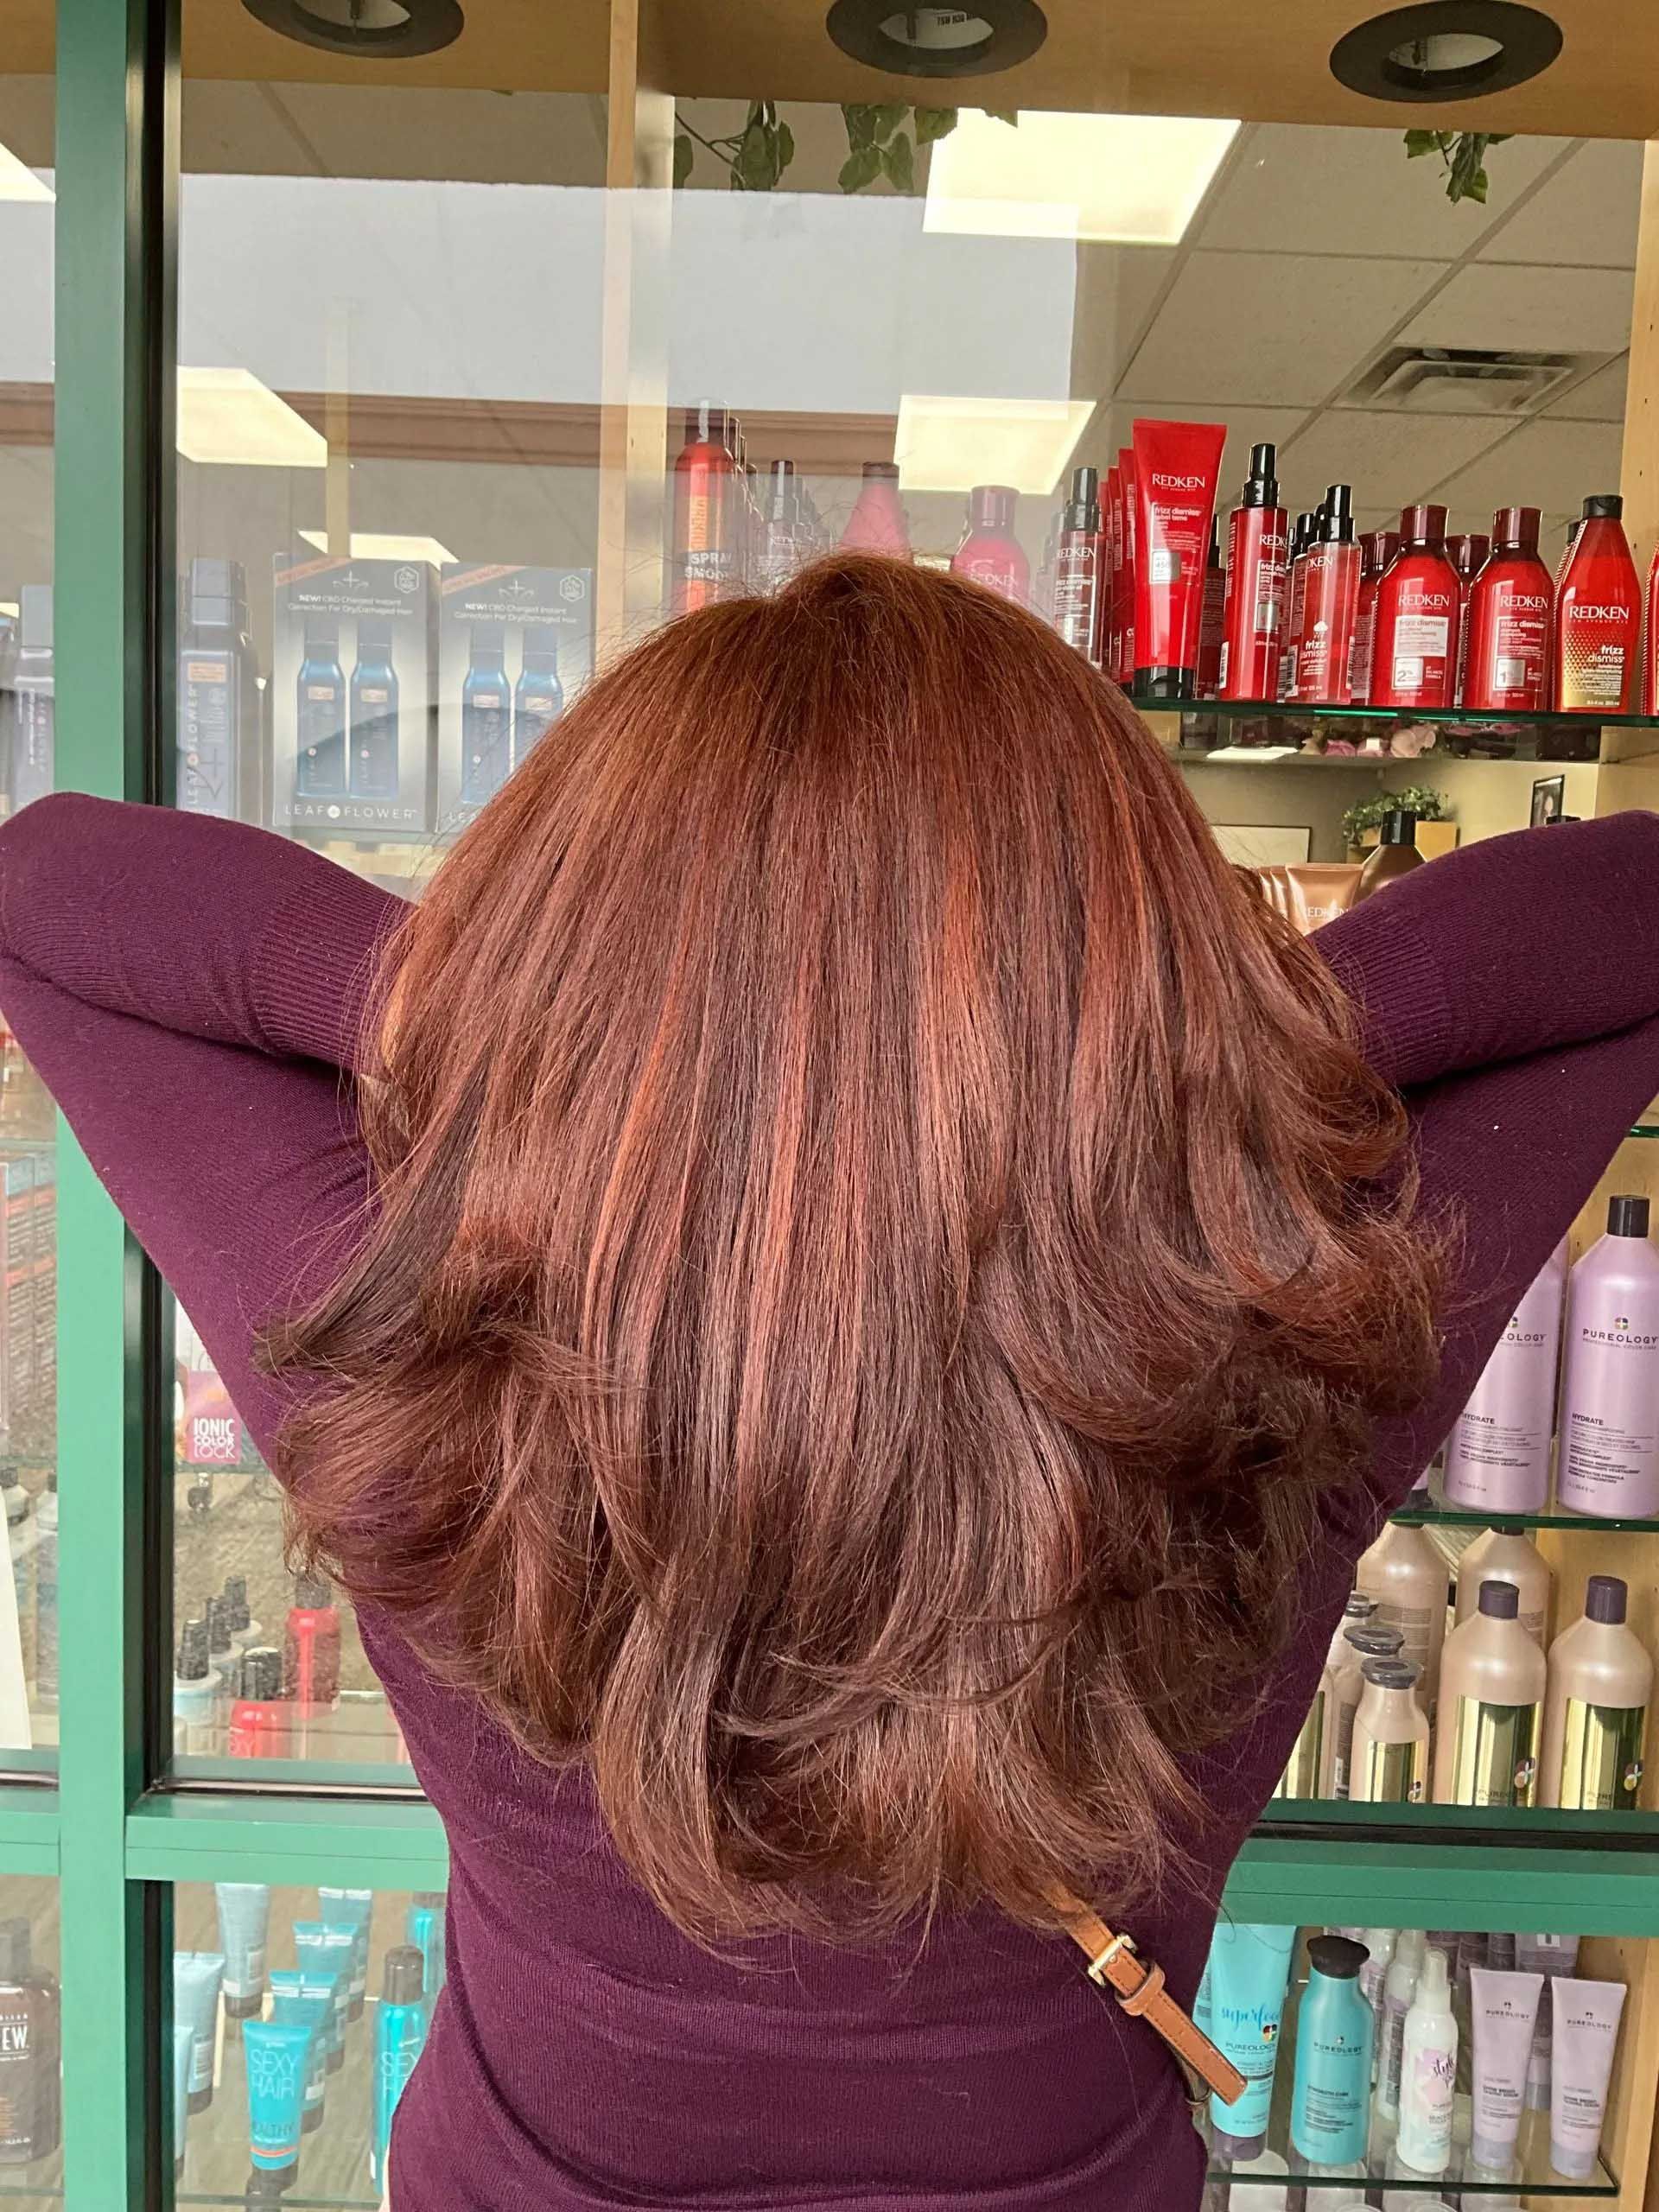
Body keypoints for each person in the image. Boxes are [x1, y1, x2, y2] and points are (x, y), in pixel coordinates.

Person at [3, 551, 1658, 2211]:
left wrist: (526, 1049)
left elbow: (52, 882)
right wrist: (1200, 1077)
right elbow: (1623, 910)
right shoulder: (1261, 1384)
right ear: (1129, 978)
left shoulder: (414, 1332)